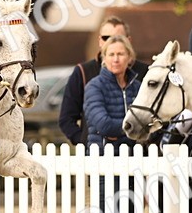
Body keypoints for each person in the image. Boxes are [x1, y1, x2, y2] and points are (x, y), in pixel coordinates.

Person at [81, 35, 143, 213]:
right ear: (103, 58)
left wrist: (128, 133)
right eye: (111, 54)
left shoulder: (138, 86)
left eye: (121, 54)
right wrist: (133, 129)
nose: (116, 58)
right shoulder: (94, 86)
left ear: (129, 57)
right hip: (104, 162)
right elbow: (103, 124)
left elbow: (149, 122)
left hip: (132, 162)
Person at [59, 16, 149, 145]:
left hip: (137, 154)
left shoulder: (144, 74)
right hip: (101, 154)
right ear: (100, 41)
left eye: (119, 38)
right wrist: (84, 142)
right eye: (106, 38)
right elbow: (67, 118)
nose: (113, 41)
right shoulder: (84, 73)